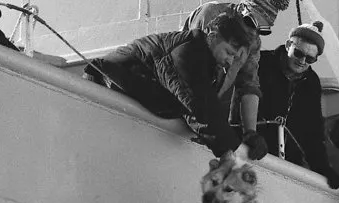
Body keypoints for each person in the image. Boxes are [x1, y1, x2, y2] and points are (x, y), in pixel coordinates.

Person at [84, 12, 267, 158]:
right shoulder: (186, 53)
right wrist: (232, 153)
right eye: (228, 52)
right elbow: (201, 107)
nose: (229, 60)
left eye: (234, 57)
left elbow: (201, 105)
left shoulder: (207, 64)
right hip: (104, 84)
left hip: (129, 100)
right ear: (212, 37)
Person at [184, 0, 291, 137]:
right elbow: (191, 65)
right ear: (241, 9)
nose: (253, 33)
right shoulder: (210, 14)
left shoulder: (252, 42)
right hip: (182, 96)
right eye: (251, 22)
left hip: (207, 105)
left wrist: (251, 133)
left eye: (262, 30)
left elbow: (249, 85)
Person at [255, 20, 339, 188]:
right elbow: (240, 99)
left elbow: (313, 129)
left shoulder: (311, 82)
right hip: (254, 147)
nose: (302, 61)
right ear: (288, 45)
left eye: (309, 59)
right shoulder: (261, 63)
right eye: (299, 54)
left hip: (287, 157)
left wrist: (322, 167)